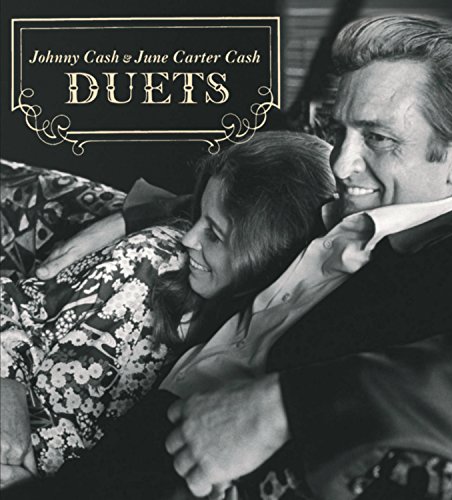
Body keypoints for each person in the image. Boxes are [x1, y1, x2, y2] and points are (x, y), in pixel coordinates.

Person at [5, 14, 452, 500]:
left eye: (378, 138)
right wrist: (139, 212)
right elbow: (259, 197)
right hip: (98, 455)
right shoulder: (351, 208)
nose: (342, 163)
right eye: (340, 133)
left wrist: (283, 405)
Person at [0, 131, 339, 488]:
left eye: (214, 234)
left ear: (268, 249)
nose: (191, 239)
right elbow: (13, 306)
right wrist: (6, 383)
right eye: (198, 217)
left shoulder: (273, 349)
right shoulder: (154, 263)